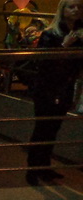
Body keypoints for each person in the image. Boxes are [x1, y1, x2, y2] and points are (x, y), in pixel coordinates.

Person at [26, 0, 83, 186]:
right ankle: (32, 170)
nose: (76, 10)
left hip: (65, 87)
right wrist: (64, 46)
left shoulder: (79, 34)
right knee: (42, 129)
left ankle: (44, 167)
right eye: (71, 7)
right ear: (62, 10)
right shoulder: (50, 34)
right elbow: (44, 62)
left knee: (53, 129)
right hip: (46, 88)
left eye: (79, 7)